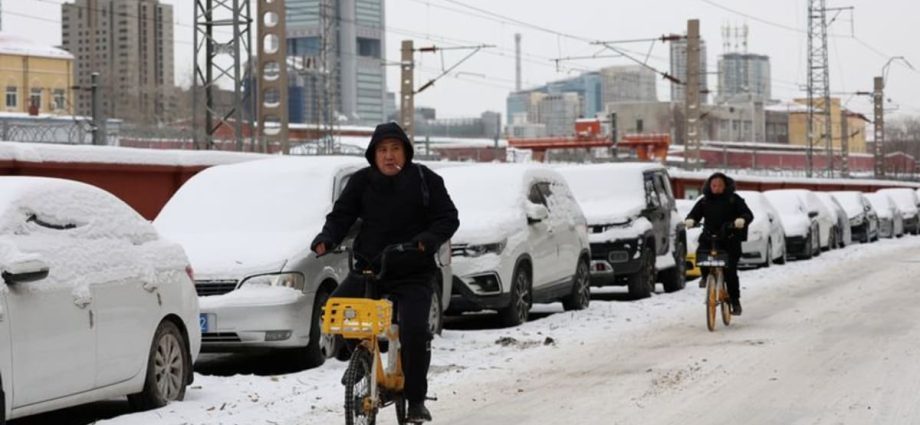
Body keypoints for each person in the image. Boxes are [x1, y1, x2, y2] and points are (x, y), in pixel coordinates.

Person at [311, 122, 459, 422]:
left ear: (406, 151)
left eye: (395, 149)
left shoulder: (425, 180)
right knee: (338, 312)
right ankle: (364, 362)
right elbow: (341, 215)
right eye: (382, 150)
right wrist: (327, 237)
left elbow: (448, 218)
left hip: (413, 272)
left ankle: (416, 398)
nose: (389, 156)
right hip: (370, 269)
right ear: (373, 154)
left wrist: (427, 241)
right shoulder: (362, 182)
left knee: (415, 332)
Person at [683, 172, 754, 315]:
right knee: (702, 254)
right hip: (709, 236)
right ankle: (705, 277)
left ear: (725, 186)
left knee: (730, 272)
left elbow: (748, 214)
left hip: (729, 238)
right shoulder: (704, 201)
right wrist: (691, 220)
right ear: (709, 186)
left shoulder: (734, 199)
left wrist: (741, 221)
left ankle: (735, 301)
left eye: (719, 185)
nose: (716, 188)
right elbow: (694, 214)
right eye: (713, 185)